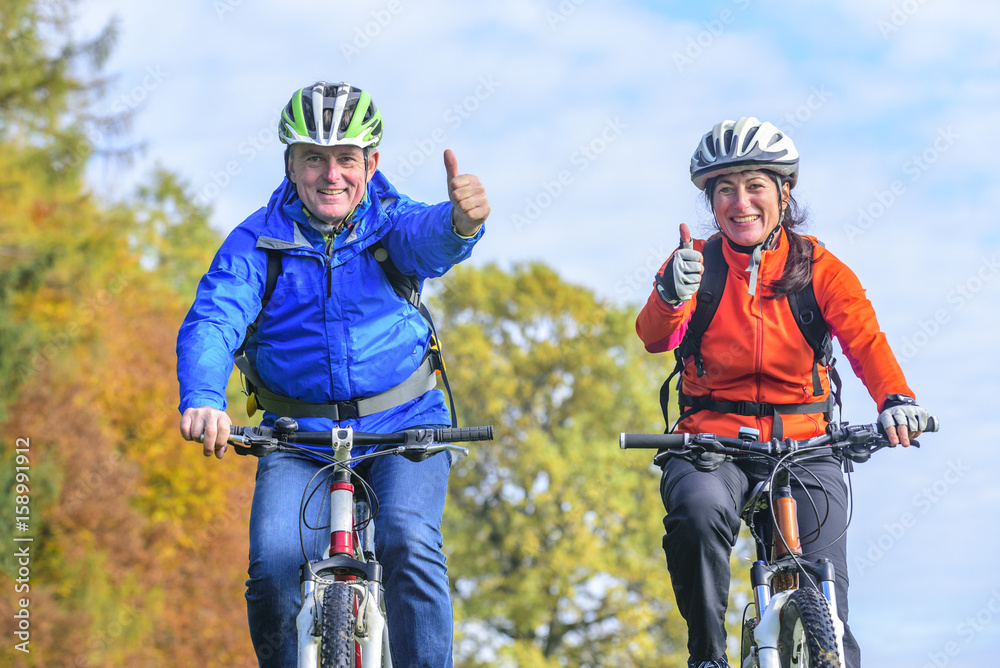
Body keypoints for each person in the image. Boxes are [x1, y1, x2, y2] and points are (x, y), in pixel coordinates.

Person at [177, 81, 489, 667]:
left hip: (406, 427)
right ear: (290, 165)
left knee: (408, 543)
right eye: (313, 158)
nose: (331, 175)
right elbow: (214, 320)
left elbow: (432, 240)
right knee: (272, 564)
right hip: (298, 436)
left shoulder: (392, 223)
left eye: (346, 158)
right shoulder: (256, 243)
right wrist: (203, 396)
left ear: (371, 164)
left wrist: (460, 223)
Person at [635, 117, 929, 668]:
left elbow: (864, 338)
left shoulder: (819, 267)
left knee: (832, 613)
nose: (739, 202)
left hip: (808, 444)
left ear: (782, 192)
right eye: (724, 189)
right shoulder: (693, 264)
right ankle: (707, 655)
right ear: (711, 200)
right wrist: (671, 293)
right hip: (711, 444)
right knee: (697, 516)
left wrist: (896, 400)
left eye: (754, 186)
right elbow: (655, 337)